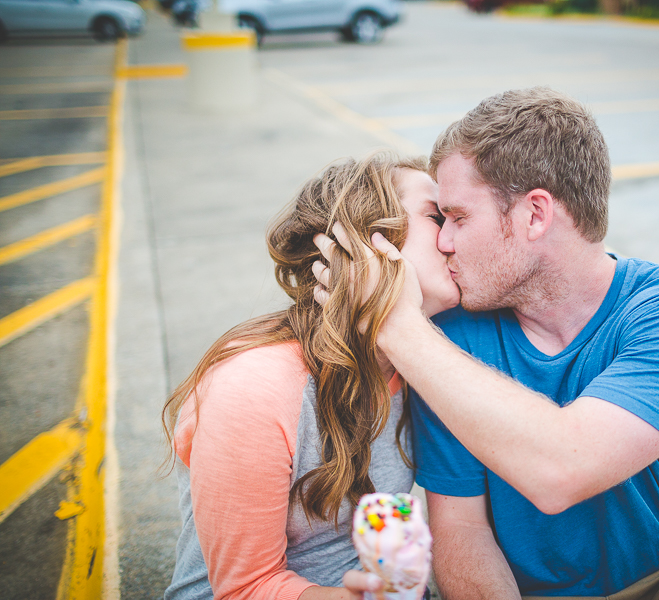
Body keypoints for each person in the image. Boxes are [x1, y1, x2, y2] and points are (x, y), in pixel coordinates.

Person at [313, 88, 659, 599]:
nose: (442, 239)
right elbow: (461, 531)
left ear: (535, 214)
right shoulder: (452, 336)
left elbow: (562, 469)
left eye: (458, 217)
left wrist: (396, 325)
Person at [161, 152, 458, 600]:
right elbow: (243, 588)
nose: (455, 236)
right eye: (437, 217)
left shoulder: (427, 353)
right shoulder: (253, 387)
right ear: (368, 241)